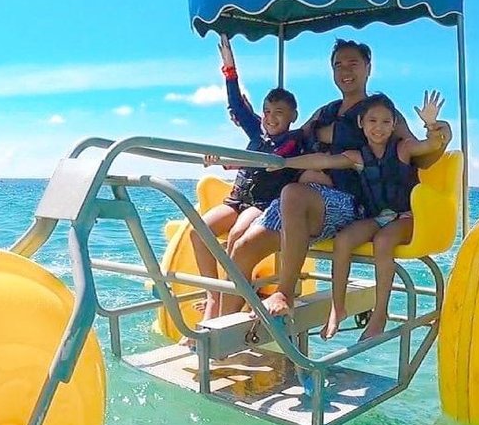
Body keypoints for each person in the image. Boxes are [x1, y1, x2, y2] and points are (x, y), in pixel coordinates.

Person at [217, 38, 453, 319]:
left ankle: (285, 292)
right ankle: (219, 331)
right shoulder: (324, 112)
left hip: (348, 205)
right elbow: (284, 137)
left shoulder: (381, 115)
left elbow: (419, 156)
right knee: (243, 248)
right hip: (300, 204)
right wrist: (251, 119)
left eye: (353, 63)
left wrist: (439, 134)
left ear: (368, 67)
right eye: (338, 64)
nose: (345, 70)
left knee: (292, 193)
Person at [270, 92, 446, 341]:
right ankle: (337, 307)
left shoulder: (404, 148)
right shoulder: (357, 157)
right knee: (343, 240)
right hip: (377, 218)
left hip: (405, 218)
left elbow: (432, 144)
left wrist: (431, 125)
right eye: (373, 121)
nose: (379, 128)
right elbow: (323, 159)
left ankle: (379, 315)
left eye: (386, 122)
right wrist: (285, 162)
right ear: (361, 123)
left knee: (384, 242)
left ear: (394, 124)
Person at [190, 34, 307, 321]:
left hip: (262, 204)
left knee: (235, 236)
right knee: (198, 232)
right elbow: (238, 107)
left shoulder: (295, 141)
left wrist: (228, 162)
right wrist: (229, 69)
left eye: (279, 113)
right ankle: (213, 296)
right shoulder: (258, 132)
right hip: (236, 199)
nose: (270, 117)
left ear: (293, 115)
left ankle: (233, 302)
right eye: (267, 112)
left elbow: (275, 159)